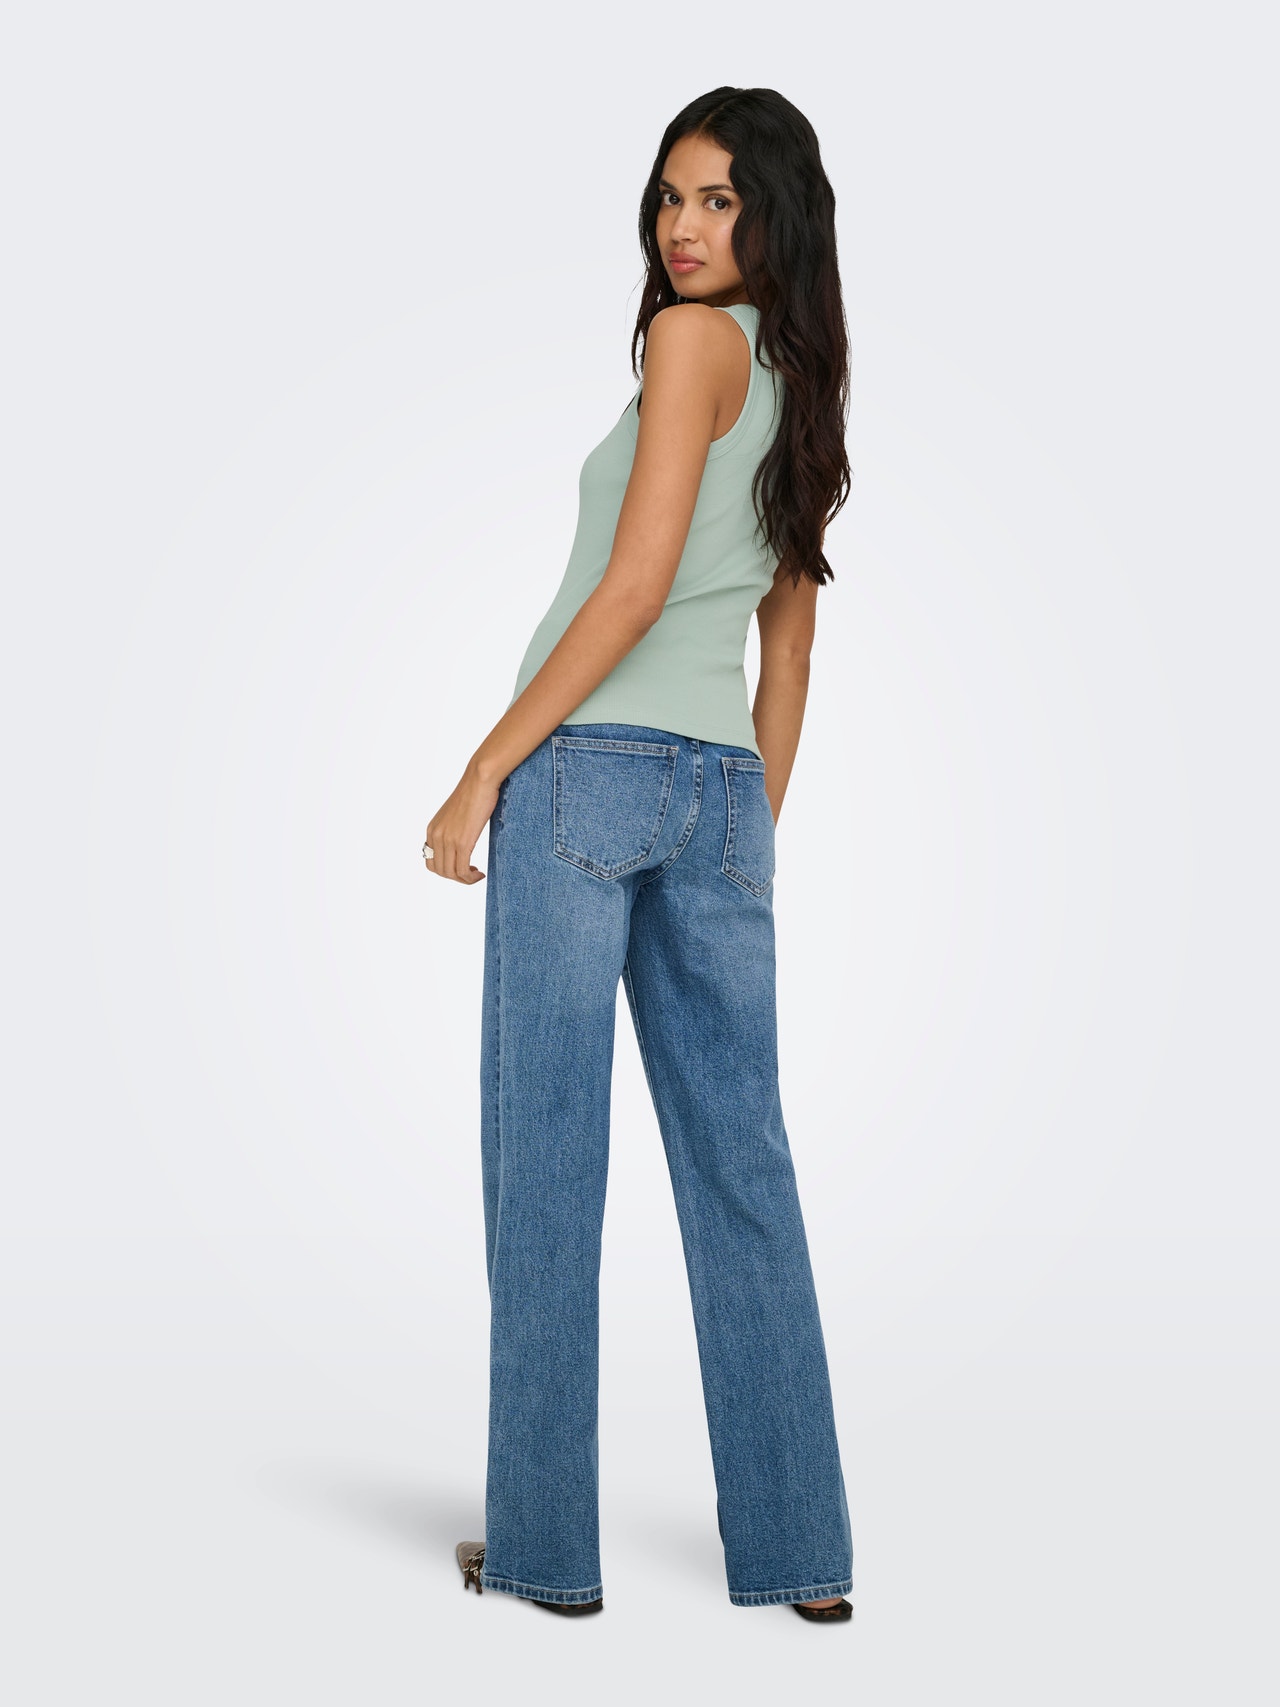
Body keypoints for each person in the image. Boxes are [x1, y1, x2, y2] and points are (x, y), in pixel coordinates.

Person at [424, 86, 854, 1622]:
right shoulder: (806, 385)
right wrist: (747, 834)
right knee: (745, 1166)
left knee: (546, 1154)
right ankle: (803, 1554)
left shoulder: (686, 347)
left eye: (719, 200)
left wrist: (487, 767)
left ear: (774, 216)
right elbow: (787, 655)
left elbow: (633, 584)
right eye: (672, 196)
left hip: (584, 779)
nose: (683, 227)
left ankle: (546, 1552)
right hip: (723, 791)